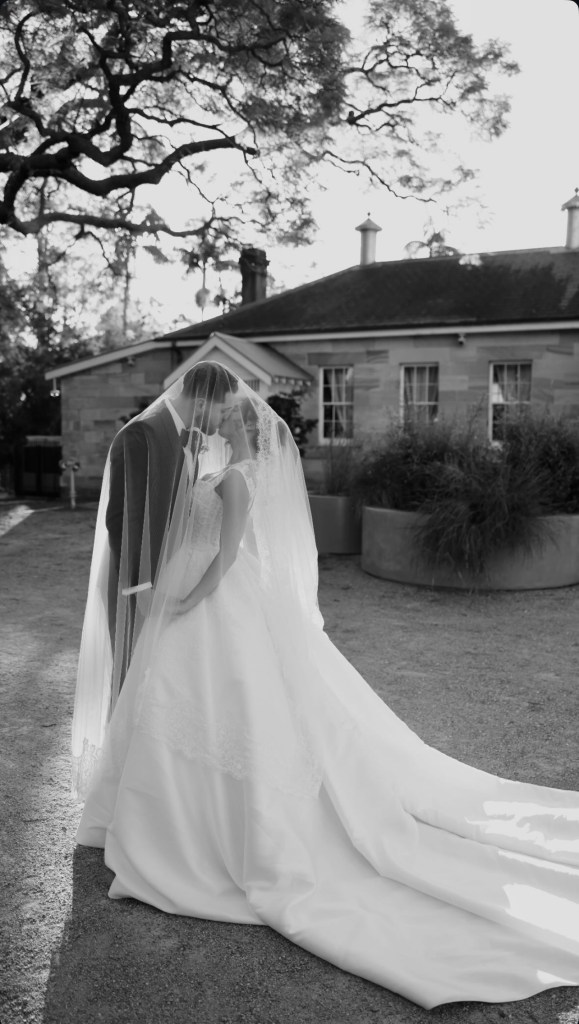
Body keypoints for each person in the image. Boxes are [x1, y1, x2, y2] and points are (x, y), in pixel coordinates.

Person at [73, 364, 579, 1010]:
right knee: (185, 706)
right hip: (205, 596)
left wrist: (186, 602)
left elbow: (225, 558)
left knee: (224, 707)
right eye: (219, 410)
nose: (219, 419)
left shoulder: (235, 477)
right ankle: (163, 819)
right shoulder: (213, 459)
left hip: (217, 601)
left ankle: (192, 829)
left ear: (239, 423)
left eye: (226, 414)